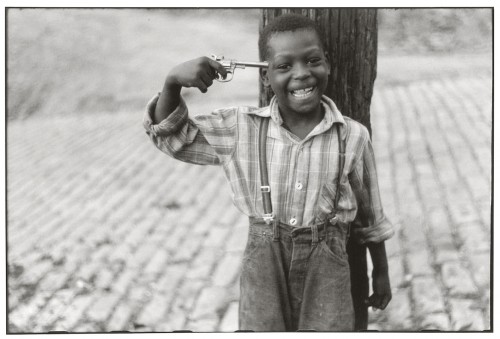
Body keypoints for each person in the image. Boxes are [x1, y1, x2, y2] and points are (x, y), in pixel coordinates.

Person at [143, 13, 394, 331]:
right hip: (264, 272)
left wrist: (381, 272)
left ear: (327, 64)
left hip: (328, 272)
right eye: (285, 66)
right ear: (266, 77)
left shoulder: (353, 136)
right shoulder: (242, 129)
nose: (302, 74)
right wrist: (172, 82)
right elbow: (173, 136)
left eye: (312, 60)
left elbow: (370, 217)